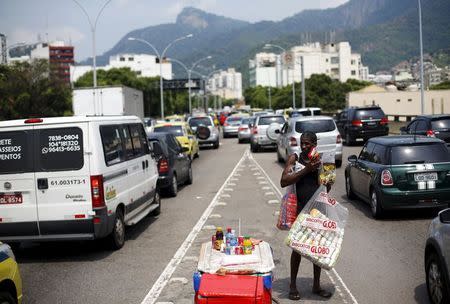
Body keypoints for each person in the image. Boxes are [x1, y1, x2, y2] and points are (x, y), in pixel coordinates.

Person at [280, 131, 333, 301]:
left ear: (315, 144)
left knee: (315, 247)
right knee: (298, 248)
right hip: (299, 209)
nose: (304, 146)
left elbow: (326, 187)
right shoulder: (294, 159)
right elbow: (284, 181)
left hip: (318, 209)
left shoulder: (321, 160)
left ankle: (316, 285)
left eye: (307, 144)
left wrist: (328, 181)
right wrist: (306, 170)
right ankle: (293, 286)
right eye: (302, 143)